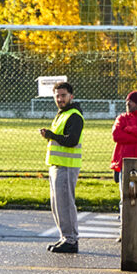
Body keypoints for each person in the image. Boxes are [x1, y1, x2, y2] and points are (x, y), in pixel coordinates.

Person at [40, 81, 83, 254]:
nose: (60, 99)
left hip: (67, 166)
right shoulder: (62, 114)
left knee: (65, 204)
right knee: (57, 204)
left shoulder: (74, 115)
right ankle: (65, 237)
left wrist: (51, 135)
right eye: (57, 95)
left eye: (63, 95)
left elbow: (71, 140)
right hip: (58, 165)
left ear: (71, 96)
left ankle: (71, 239)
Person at [110, 90, 137, 240]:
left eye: (131, 101)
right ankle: (125, 230)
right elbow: (117, 135)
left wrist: (130, 130)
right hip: (127, 164)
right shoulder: (122, 118)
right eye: (127, 101)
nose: (128, 104)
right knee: (127, 198)